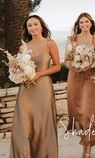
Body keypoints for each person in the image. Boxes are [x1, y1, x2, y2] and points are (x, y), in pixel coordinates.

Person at [9, 15, 60, 158]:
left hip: (43, 88)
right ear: (27, 29)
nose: (33, 27)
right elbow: (18, 66)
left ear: (41, 26)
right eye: (29, 25)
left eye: (35, 24)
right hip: (26, 90)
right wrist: (17, 73)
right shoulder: (23, 46)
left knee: (42, 125)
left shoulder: (50, 43)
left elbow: (57, 67)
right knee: (23, 126)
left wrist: (39, 74)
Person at [64, 12, 95, 158]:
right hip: (74, 77)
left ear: (91, 23)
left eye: (86, 22)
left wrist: (88, 66)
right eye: (81, 22)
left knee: (87, 112)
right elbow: (66, 60)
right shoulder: (72, 39)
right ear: (78, 25)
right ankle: (83, 141)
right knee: (77, 112)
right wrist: (74, 66)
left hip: (90, 78)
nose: (84, 25)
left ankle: (88, 146)